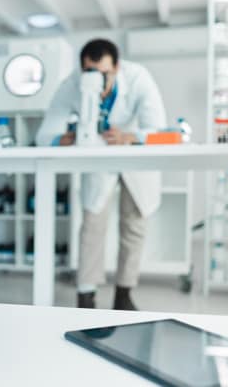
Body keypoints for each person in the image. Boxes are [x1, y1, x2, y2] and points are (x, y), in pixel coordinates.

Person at [36, 39, 166, 311]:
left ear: (117, 67)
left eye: (104, 73)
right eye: (89, 72)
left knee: (134, 225)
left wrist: (130, 136)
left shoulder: (139, 78)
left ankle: (123, 294)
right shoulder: (72, 85)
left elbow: (158, 130)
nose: (96, 79)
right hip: (98, 157)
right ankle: (85, 296)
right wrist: (63, 138)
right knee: (93, 226)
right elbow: (44, 135)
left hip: (133, 155)